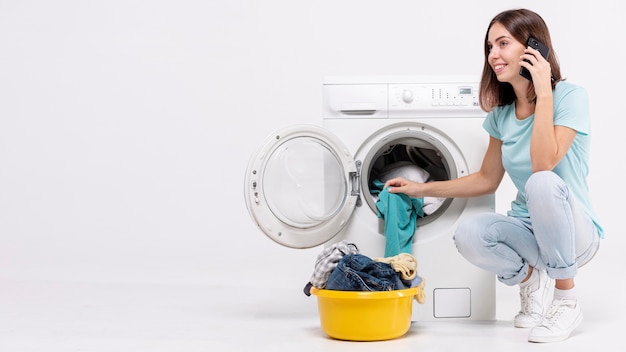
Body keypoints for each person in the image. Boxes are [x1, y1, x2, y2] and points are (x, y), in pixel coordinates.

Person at [384, 8, 603, 343]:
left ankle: (566, 300)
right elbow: (486, 179)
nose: (493, 55)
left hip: (575, 233)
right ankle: (530, 280)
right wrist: (420, 189)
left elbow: (544, 164)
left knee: (540, 182)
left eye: (503, 43)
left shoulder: (571, 97)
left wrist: (543, 91)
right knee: (469, 232)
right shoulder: (502, 116)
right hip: (530, 234)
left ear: (533, 48)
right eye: (489, 47)